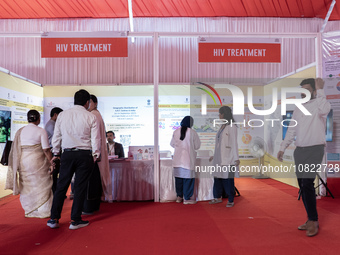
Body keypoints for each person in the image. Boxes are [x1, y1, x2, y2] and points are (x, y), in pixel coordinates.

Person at [277, 78, 331, 237]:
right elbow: (292, 130)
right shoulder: (298, 107)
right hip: (299, 151)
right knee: (302, 185)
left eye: (308, 90)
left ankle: (313, 220)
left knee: (307, 182)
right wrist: (282, 147)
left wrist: (321, 89)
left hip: (315, 149)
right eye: (302, 90)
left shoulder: (320, 104)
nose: (304, 93)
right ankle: (310, 219)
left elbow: (325, 110)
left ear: (314, 91)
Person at [47, 89, 100, 230]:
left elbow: (56, 137)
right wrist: (95, 155)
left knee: (61, 186)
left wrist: (56, 154)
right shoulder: (90, 117)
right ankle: (75, 221)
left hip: (67, 154)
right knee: (80, 187)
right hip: (84, 155)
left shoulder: (63, 115)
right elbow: (95, 139)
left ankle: (53, 219)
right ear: (87, 102)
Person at [5, 110, 53, 218]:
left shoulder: (20, 131)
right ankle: (43, 210)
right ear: (38, 118)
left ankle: (30, 210)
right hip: (37, 161)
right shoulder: (41, 131)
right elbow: (46, 150)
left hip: (23, 161)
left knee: (27, 185)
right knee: (41, 184)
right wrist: (51, 162)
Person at [82, 94, 112, 213]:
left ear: (94, 103)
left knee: (91, 182)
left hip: (93, 153)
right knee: (94, 180)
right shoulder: (96, 114)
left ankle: (89, 207)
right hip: (96, 152)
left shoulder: (93, 115)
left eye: (89, 102)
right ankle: (92, 206)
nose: (87, 105)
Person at [209, 106, 240, 208]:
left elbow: (234, 143)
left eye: (220, 113)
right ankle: (217, 197)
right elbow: (219, 144)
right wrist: (214, 156)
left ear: (224, 114)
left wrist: (236, 158)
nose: (219, 115)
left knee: (228, 179)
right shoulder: (222, 126)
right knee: (217, 178)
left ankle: (230, 199)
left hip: (228, 158)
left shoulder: (232, 127)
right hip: (218, 157)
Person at [170, 116, 201, 204]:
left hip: (177, 161)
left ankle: (179, 197)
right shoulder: (193, 132)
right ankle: (187, 198)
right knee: (188, 180)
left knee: (178, 180)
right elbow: (197, 146)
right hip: (188, 161)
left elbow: (172, 144)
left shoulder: (176, 131)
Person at [45, 107, 63, 194]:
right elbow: (56, 139)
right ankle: (55, 192)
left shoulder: (52, 124)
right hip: (53, 152)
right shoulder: (51, 125)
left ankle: (56, 191)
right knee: (55, 173)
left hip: (53, 151)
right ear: (55, 115)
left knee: (56, 173)